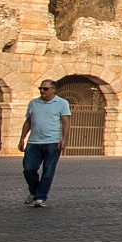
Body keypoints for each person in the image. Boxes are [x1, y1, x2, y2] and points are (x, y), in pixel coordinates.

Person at [18, 78, 74, 208]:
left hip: (52, 142)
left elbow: (66, 121)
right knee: (28, 169)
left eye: (45, 89)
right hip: (33, 142)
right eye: (40, 88)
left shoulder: (62, 103)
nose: (42, 91)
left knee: (48, 171)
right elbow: (28, 121)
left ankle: (40, 197)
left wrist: (64, 139)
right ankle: (35, 192)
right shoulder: (33, 103)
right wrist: (22, 138)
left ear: (53, 90)